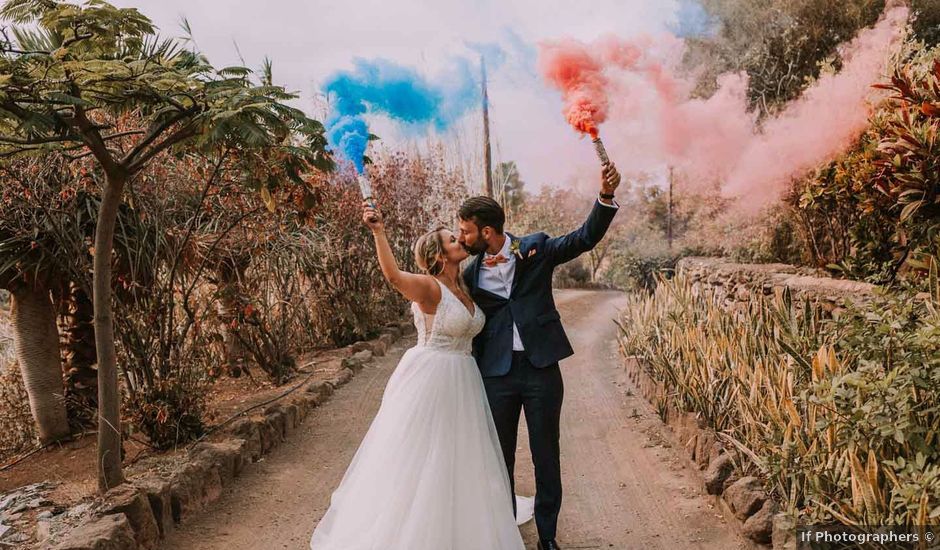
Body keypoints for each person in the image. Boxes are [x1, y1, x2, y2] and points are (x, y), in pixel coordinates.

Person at [309, 206, 531, 549]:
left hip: (465, 377)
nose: (459, 240)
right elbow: (394, 277)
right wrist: (378, 233)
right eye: (451, 239)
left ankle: (462, 523)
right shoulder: (429, 288)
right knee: (427, 454)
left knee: (463, 453)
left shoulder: (465, 284)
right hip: (433, 377)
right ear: (439, 254)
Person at [458, 163, 621, 550]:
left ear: (486, 231)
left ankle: (547, 537)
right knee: (500, 458)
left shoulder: (536, 247)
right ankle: (504, 530)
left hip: (541, 368)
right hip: (495, 375)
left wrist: (606, 197)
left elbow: (584, 238)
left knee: (546, 454)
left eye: (466, 230)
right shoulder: (468, 273)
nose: (462, 236)